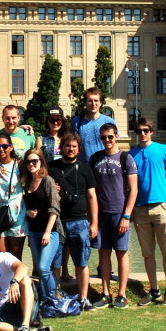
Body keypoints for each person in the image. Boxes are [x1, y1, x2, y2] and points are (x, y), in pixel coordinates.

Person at [129, 117, 166, 307]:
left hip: (161, 206)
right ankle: (154, 289)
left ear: (151, 131)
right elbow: (129, 185)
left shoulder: (163, 149)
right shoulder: (131, 155)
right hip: (140, 209)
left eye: (146, 130)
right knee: (148, 253)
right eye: (139, 130)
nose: (142, 134)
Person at [90, 123, 138, 309]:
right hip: (101, 213)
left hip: (119, 213)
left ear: (116, 136)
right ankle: (105, 293)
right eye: (103, 137)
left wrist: (126, 216)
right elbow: (91, 189)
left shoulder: (126, 158)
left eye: (110, 137)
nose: (107, 140)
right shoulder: (95, 158)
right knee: (103, 253)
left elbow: (133, 189)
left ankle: (122, 294)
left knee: (121, 253)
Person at [49, 133, 98, 311]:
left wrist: (94, 223)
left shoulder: (85, 169)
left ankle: (83, 298)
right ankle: (54, 297)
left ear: (79, 149)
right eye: (68, 146)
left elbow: (92, 197)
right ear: (62, 147)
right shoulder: (51, 167)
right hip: (58, 221)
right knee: (55, 263)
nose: (70, 149)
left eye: (74, 146)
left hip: (79, 221)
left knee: (82, 262)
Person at [22, 148, 63, 300]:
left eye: (35, 161)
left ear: (41, 162)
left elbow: (55, 208)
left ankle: (53, 298)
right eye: (28, 161)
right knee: (40, 270)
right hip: (33, 232)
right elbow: (22, 205)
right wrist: (26, 213)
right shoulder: (26, 183)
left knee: (44, 268)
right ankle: (46, 300)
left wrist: (47, 232)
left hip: (49, 232)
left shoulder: (48, 181)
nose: (31, 164)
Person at [0, 132, 27, 259]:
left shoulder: (19, 164)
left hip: (17, 213)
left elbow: (33, 181)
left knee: (16, 256)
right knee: (2, 256)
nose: (1, 149)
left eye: (5, 146)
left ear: (11, 147)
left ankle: (17, 279)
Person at [70, 87, 115, 162]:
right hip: (83, 167)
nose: (93, 104)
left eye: (96, 100)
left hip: (104, 166)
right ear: (85, 103)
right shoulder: (77, 122)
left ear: (101, 103)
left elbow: (115, 145)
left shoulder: (109, 122)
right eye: (90, 101)